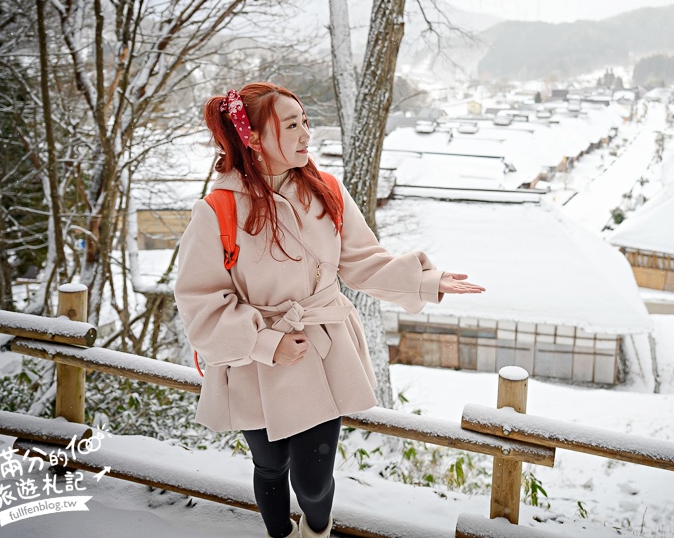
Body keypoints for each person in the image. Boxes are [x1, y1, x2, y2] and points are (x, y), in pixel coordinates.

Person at [174, 82, 484, 538]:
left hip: (320, 351)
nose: (307, 135)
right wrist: (267, 343)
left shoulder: (327, 192)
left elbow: (362, 262)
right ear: (253, 137)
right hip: (253, 362)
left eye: (306, 122)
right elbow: (199, 299)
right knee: (270, 466)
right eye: (293, 124)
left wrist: (425, 280)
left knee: (313, 482)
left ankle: (315, 533)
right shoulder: (217, 209)